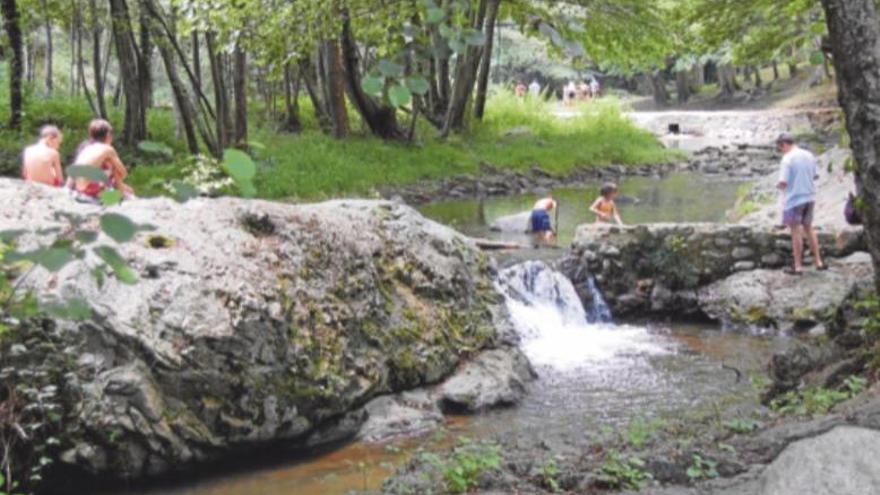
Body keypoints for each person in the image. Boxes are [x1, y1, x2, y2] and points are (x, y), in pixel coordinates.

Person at [776, 132, 826, 275]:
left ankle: (798, 266)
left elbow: (783, 182)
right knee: (809, 228)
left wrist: (778, 187)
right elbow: (815, 175)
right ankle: (818, 262)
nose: (781, 151)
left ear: (784, 144)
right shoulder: (809, 155)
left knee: (795, 231)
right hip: (810, 197)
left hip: (794, 199)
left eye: (780, 148)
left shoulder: (787, 158)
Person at [70, 119, 134, 200]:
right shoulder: (108, 149)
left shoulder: (87, 148)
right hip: (93, 193)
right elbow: (123, 173)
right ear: (108, 135)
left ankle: (117, 194)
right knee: (115, 169)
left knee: (128, 189)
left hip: (79, 190)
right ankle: (119, 196)